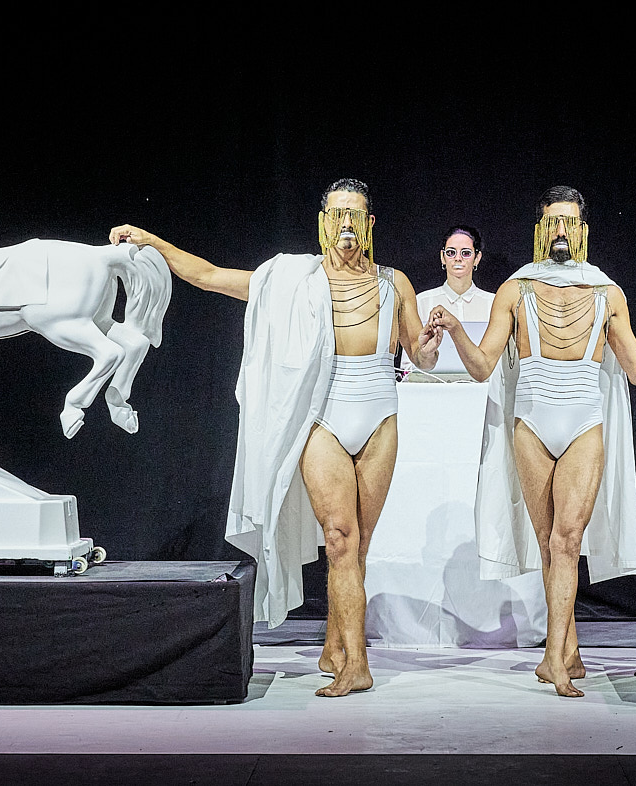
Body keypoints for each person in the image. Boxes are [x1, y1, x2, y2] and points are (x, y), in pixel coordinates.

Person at [110, 179, 443, 697]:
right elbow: (212, 276)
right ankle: (358, 663)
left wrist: (428, 346)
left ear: (371, 223)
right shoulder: (293, 280)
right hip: (322, 418)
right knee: (340, 538)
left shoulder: (393, 282)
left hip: (380, 416)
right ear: (323, 220)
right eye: (337, 214)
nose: (346, 224)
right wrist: (151, 240)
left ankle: (335, 647)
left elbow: (419, 356)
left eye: (355, 215)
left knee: (358, 547)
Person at [429, 186, 636, 698]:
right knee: (553, 547)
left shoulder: (605, 293)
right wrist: (459, 330)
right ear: (540, 229)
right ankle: (566, 650)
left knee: (568, 542)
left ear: (583, 231)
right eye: (552, 221)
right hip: (531, 425)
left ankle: (553, 657)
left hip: (583, 427)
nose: (560, 231)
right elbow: (484, 366)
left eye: (569, 222)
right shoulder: (517, 289)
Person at [415, 225, 495, 323]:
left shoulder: (493, 303)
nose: (458, 258)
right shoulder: (422, 302)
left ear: (477, 258)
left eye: (466, 253)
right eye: (451, 253)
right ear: (442, 257)